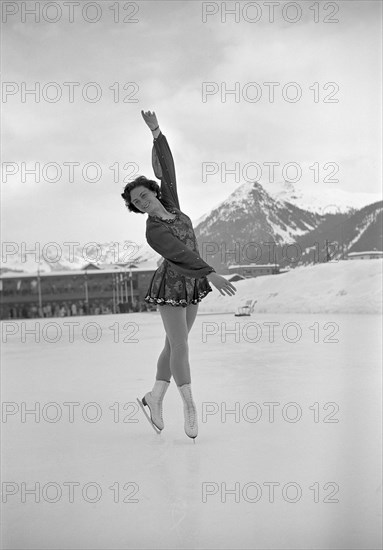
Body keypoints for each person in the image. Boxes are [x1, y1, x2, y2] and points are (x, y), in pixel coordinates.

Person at [121, 110, 237, 440]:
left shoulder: (172, 204)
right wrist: (210, 273)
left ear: (154, 192)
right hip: (171, 284)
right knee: (181, 346)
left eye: (143, 195)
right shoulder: (153, 231)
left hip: (192, 283)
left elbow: (168, 169)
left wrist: (156, 132)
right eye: (135, 202)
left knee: (173, 347)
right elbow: (180, 254)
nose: (141, 202)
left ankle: (154, 397)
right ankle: (188, 405)